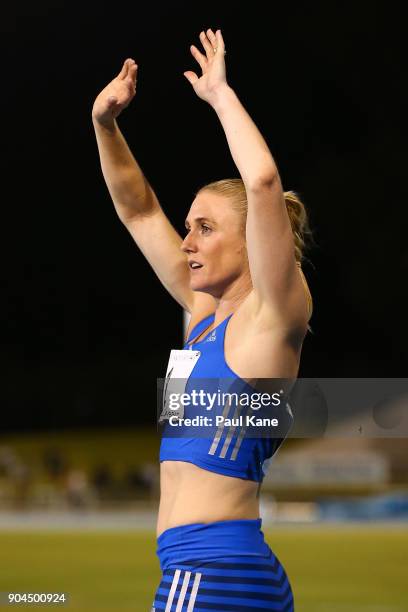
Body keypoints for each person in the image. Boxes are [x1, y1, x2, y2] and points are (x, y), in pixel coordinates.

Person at [92, 27, 312, 612]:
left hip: (208, 570)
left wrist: (219, 95)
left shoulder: (271, 318)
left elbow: (262, 182)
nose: (186, 240)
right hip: (221, 568)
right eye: (188, 226)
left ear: (252, 243)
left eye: (205, 228)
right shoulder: (201, 318)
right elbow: (139, 210)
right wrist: (105, 125)